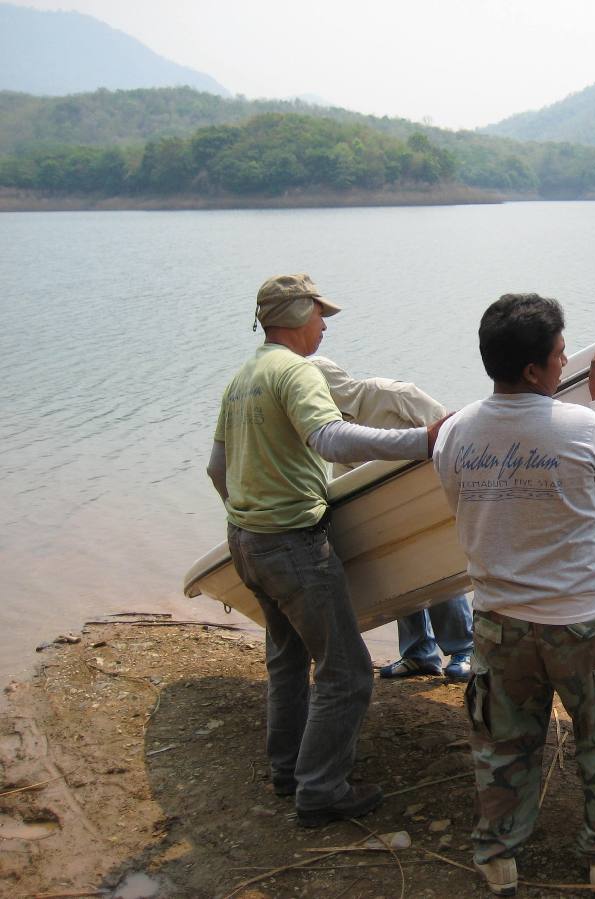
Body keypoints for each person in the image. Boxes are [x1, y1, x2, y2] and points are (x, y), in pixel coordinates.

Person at [206, 273, 448, 828]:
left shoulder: (242, 378)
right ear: (294, 316)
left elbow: (217, 469)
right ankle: (320, 790)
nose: (324, 326)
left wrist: (249, 514)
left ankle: (287, 771)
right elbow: (332, 439)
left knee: (288, 661)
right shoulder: (295, 372)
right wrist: (423, 440)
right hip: (291, 544)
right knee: (346, 671)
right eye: (320, 315)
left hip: (246, 542)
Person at [431, 294, 595, 897]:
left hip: (500, 623)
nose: (564, 364)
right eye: (559, 355)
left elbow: (464, 502)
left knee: (503, 745)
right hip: (586, 621)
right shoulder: (578, 424)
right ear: (534, 370)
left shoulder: (454, 433)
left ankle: (498, 857)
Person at [308, 355, 474, 682]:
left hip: (430, 490)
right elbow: (345, 480)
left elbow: (449, 427)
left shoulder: (388, 394)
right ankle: (418, 654)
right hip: (390, 507)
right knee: (397, 570)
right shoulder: (330, 428)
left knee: (436, 569)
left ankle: (464, 648)